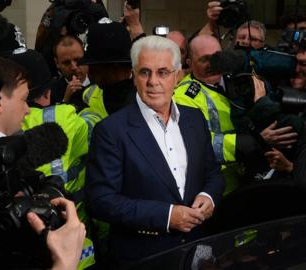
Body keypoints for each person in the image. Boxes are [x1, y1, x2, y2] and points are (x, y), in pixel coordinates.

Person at [85, 35, 225, 268]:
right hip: (143, 258)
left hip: (197, 251)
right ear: (133, 76)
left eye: (162, 72)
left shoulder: (194, 118)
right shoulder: (111, 131)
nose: (153, 81)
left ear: (178, 76)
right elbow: (101, 201)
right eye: (144, 72)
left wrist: (209, 196)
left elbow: (213, 174)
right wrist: (167, 216)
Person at [173, 34, 297, 193]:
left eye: (217, 57)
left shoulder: (237, 79)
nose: (213, 64)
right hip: (218, 186)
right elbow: (197, 144)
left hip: (253, 174)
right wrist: (255, 141)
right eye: (204, 59)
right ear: (189, 63)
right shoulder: (183, 97)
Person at [11, 49, 94, 269]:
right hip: (76, 249)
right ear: (48, 91)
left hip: (21, 244)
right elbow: (99, 128)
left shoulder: (3, 124)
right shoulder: (66, 117)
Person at [198, 1, 266, 50]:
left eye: (253, 39)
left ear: (263, 44)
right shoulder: (228, 61)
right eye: (241, 37)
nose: (245, 41)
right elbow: (199, 45)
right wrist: (211, 23)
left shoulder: (270, 64)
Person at [50, 35, 90, 110]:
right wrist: (65, 101)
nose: (74, 67)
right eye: (66, 63)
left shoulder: (101, 82)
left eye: (77, 60)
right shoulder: (51, 92)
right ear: (57, 63)